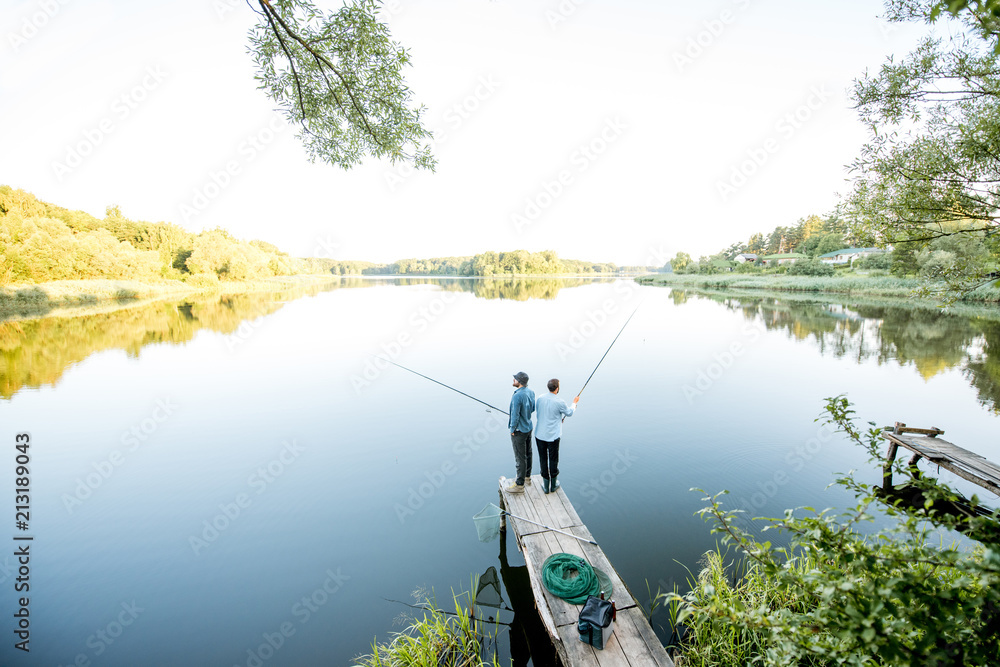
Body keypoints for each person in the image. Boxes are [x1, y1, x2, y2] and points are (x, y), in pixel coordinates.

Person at [534, 379, 578, 494]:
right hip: (553, 436)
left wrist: (557, 418)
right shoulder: (560, 402)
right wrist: (574, 403)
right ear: (557, 388)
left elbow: (540, 413)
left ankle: (545, 486)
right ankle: (553, 485)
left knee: (543, 459)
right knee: (553, 460)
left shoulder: (540, 398)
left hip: (539, 435)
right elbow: (569, 413)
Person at [507, 371, 535, 493]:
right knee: (528, 453)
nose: (514, 380)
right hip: (528, 427)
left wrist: (512, 429)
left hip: (519, 430)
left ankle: (519, 485)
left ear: (519, 382)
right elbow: (532, 408)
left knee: (520, 457)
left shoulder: (517, 395)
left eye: (515, 379)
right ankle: (527, 477)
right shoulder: (531, 392)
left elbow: (515, 415)